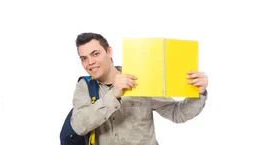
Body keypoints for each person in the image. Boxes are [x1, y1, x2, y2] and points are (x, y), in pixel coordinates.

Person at [70, 32, 208, 145]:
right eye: (83, 58)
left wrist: (199, 93)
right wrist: (113, 95)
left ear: (109, 51)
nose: (90, 62)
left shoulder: (140, 78)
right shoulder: (84, 87)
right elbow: (78, 126)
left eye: (95, 54)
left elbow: (177, 113)